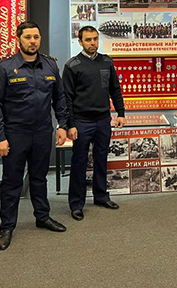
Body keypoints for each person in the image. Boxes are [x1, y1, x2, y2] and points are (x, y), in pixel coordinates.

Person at [0, 21, 69, 251]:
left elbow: (60, 98)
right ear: (18, 40)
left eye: (36, 37)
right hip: (15, 134)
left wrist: (62, 125)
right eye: (28, 37)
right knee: (12, 182)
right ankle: (6, 227)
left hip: (42, 132)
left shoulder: (50, 65)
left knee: (39, 178)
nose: (32, 41)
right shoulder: (5, 68)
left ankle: (42, 217)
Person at [63, 26, 126, 221]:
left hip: (103, 120)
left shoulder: (106, 62)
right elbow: (67, 98)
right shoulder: (72, 65)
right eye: (88, 39)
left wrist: (121, 113)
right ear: (80, 42)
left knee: (101, 159)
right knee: (79, 163)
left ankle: (101, 196)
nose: (93, 43)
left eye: (95, 39)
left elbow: (115, 89)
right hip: (81, 121)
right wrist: (70, 124)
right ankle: (76, 204)